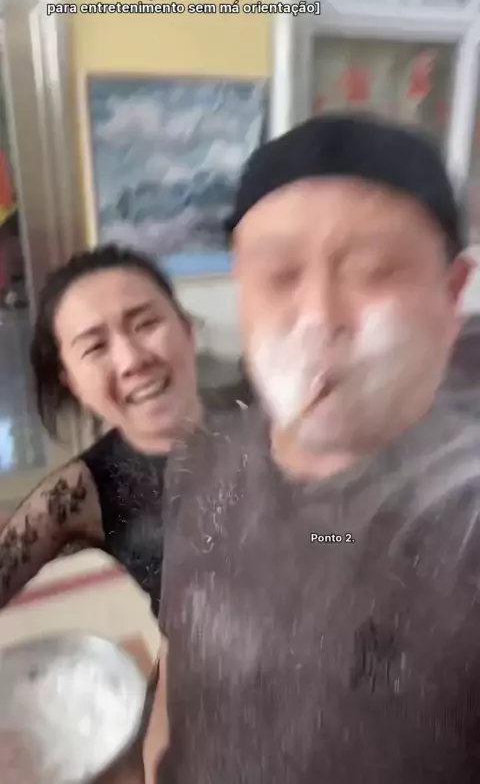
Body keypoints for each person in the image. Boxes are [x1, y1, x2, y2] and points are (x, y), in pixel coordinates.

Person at [147, 114, 480, 784]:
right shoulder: (200, 457)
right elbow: (181, 649)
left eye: (373, 272)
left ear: (452, 295)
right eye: (278, 276)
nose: (319, 317)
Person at [0, 244, 201, 615]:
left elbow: (322, 539)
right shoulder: (80, 491)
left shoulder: (271, 429)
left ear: (187, 330)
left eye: (146, 324)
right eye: (94, 347)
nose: (132, 361)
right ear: (72, 383)